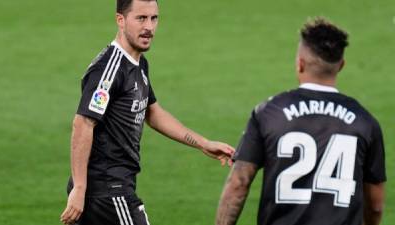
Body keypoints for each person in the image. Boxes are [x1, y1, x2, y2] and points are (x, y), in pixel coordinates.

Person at [60, 0, 235, 224]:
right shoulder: (109, 70)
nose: (149, 27)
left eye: (154, 18)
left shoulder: (138, 64)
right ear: (120, 20)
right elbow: (83, 123)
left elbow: (152, 112)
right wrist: (80, 187)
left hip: (110, 188)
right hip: (108, 190)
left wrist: (203, 143)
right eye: (141, 18)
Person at [216, 18, 386, 225]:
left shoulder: (270, 113)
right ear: (341, 65)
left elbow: (238, 184)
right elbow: (376, 206)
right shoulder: (364, 121)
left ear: (300, 63)